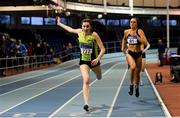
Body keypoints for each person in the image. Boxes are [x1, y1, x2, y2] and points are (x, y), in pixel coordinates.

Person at [56, 16, 105, 112]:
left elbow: (103, 49)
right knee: (86, 80)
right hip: (83, 61)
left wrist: (98, 58)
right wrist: (59, 23)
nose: (85, 28)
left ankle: (98, 74)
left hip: (94, 61)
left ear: (90, 27)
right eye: (84, 26)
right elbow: (69, 29)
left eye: (87, 26)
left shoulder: (94, 35)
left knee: (99, 77)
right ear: (81, 27)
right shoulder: (79, 32)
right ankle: (86, 103)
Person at [121, 17, 149, 97]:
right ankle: (131, 85)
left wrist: (137, 36)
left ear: (137, 24)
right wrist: (122, 48)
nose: (132, 23)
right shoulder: (126, 31)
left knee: (138, 73)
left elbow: (145, 42)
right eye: (131, 22)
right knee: (132, 67)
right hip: (130, 53)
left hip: (139, 54)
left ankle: (137, 87)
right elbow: (124, 39)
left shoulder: (139, 31)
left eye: (134, 22)